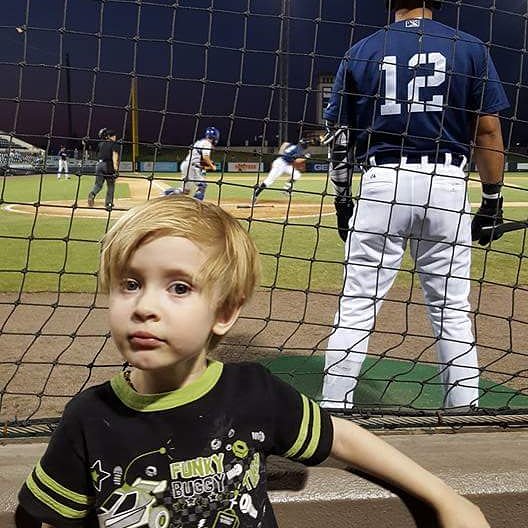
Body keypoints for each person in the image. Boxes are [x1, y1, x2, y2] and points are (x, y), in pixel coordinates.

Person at [15, 194, 490, 528]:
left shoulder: (254, 394)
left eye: (179, 287)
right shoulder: (90, 418)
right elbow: (47, 518)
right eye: (130, 283)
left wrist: (444, 497)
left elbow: (341, 437)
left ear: (223, 312)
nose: (144, 306)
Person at [321, 0, 509, 410]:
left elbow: (339, 137)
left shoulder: (362, 50)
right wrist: (492, 201)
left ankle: (334, 410)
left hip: (382, 182)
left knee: (356, 306)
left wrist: (341, 197)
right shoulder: (470, 47)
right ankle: (464, 412)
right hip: (446, 184)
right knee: (451, 309)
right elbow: (489, 131)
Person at [164, 127, 220, 201]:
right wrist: (212, 166)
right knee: (202, 185)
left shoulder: (199, 142)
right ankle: (197, 204)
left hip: (188, 165)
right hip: (191, 166)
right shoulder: (207, 144)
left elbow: (196, 157)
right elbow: (205, 157)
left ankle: (165, 193)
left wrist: (203, 166)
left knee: (185, 191)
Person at [252, 139, 310, 203]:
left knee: (296, 175)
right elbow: (296, 161)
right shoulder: (299, 150)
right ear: (304, 144)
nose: (308, 145)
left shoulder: (294, 146)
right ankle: (255, 195)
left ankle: (286, 189)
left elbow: (285, 143)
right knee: (269, 181)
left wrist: (281, 152)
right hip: (280, 164)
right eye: (307, 144)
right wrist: (305, 157)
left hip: (284, 163)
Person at [88, 128, 120, 211]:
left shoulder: (101, 144)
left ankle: (92, 194)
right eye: (114, 136)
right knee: (111, 185)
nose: (115, 137)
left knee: (98, 184)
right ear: (110, 136)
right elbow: (114, 157)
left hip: (98, 165)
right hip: (108, 165)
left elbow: (98, 152)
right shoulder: (114, 144)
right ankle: (108, 203)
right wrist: (116, 170)